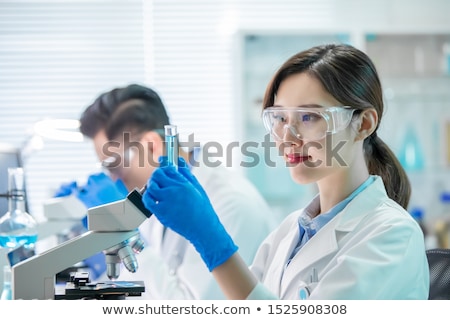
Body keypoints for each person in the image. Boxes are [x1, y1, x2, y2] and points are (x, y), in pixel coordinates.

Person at [141, 43, 430, 299]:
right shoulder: (289, 231)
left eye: (308, 117)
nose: (287, 136)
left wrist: (210, 238)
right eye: (279, 117)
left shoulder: (393, 234)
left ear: (364, 124)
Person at [74, 84, 278, 299]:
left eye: (114, 165)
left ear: (152, 146)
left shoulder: (232, 204)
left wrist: (126, 238)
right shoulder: (160, 196)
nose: (113, 179)